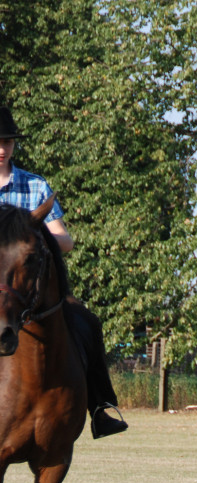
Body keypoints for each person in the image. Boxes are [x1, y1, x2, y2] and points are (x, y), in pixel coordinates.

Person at [0, 106, 127, 439]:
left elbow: (65, 240)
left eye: (8, 141)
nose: (2, 148)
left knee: (87, 322)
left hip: (34, 292)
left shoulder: (35, 186)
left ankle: (100, 407)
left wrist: (33, 236)